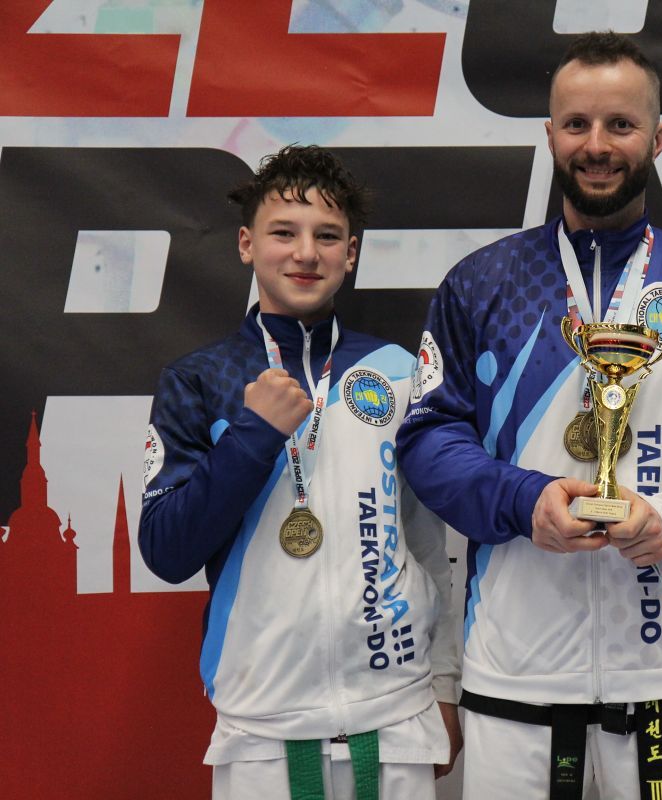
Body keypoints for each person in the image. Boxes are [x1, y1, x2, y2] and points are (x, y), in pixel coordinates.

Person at [396, 30, 662, 800]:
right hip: (517, 678)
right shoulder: (481, 284)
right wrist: (525, 501)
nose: (598, 145)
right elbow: (429, 439)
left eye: (621, 124)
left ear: (658, 137)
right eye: (577, 124)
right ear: (551, 135)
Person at [138, 144, 461, 800]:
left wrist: (444, 685)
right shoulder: (200, 379)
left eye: (328, 236)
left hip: (396, 714)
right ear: (246, 244)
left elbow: (431, 547)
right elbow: (167, 551)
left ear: (352, 253)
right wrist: (253, 435)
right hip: (261, 725)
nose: (306, 253)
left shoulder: (399, 372)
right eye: (283, 232)